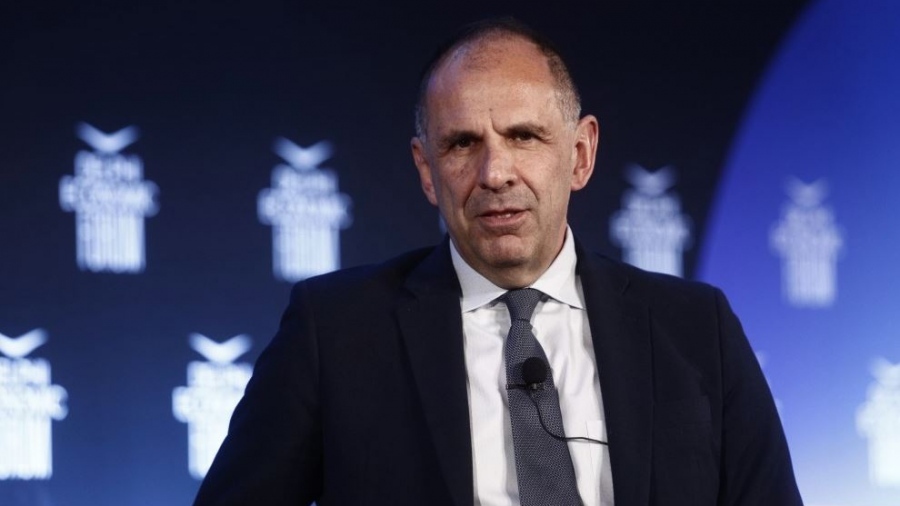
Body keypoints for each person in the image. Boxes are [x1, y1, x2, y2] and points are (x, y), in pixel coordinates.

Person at [194, 18, 803, 506]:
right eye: (462, 144)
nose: (495, 173)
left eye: (523, 136)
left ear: (581, 154)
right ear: (427, 170)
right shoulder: (335, 333)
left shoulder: (696, 330)